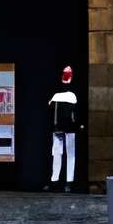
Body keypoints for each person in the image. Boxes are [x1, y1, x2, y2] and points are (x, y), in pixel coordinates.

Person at [47, 63, 83, 191]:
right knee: (58, 154)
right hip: (59, 128)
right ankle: (56, 180)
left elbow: (76, 113)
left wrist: (78, 125)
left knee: (69, 155)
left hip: (68, 129)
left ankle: (68, 181)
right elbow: (51, 109)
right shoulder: (58, 95)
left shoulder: (71, 95)